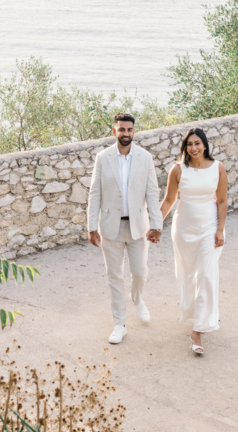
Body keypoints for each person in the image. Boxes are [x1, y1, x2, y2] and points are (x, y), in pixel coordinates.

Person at [86, 113, 162, 345]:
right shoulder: (103, 158)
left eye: (129, 130)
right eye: (121, 129)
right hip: (111, 227)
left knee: (140, 272)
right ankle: (120, 323)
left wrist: (157, 224)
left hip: (139, 226)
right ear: (114, 131)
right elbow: (95, 193)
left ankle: (137, 299)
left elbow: (152, 192)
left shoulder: (145, 158)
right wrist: (91, 226)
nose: (125, 133)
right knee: (114, 276)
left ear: (134, 132)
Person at [159, 126, 227, 355]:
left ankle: (197, 330)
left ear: (205, 145)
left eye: (197, 143)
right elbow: (169, 201)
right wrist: (154, 225)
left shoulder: (218, 168)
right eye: (189, 144)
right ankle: (196, 315)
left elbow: (222, 200)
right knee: (187, 275)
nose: (194, 148)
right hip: (184, 229)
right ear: (184, 147)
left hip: (209, 228)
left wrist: (220, 230)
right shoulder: (178, 170)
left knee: (206, 275)